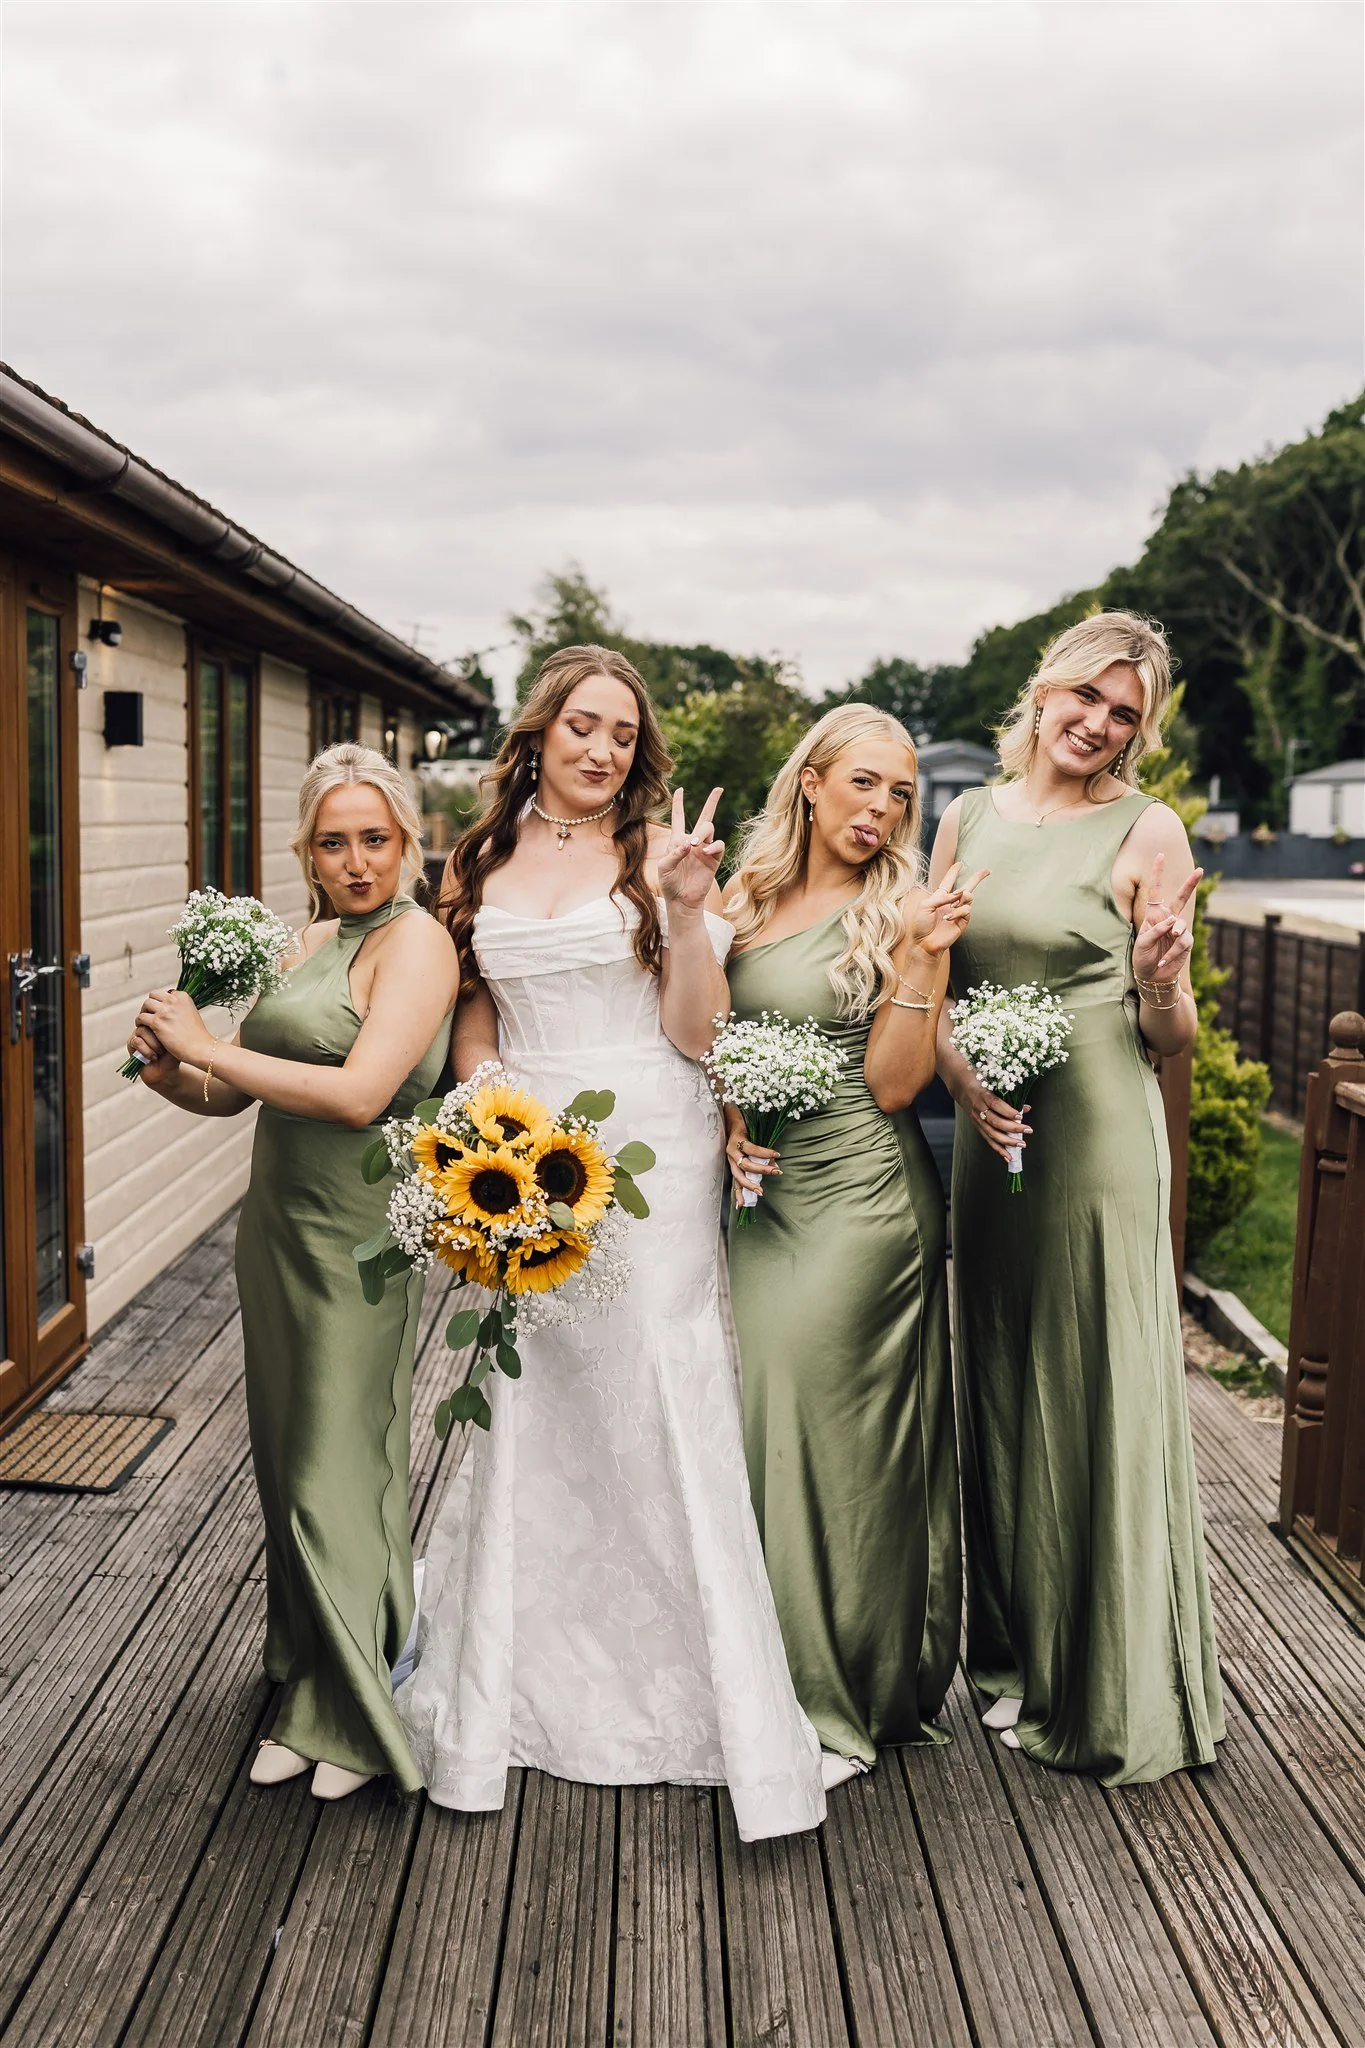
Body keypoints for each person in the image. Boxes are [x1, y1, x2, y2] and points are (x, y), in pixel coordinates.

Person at [394, 645, 825, 1842]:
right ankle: (521, 1676)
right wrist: (499, 1124)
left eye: (623, 735)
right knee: (540, 1392)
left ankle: (698, 1687)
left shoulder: (659, 856)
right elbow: (476, 1019)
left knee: (657, 1384)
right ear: (538, 732)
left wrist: (688, 913)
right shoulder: (476, 859)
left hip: (653, 1145)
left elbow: (698, 1033)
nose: (601, 749)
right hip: (528, 1155)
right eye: (582, 725)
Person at [127, 743, 459, 1801]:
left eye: (374, 838)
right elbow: (234, 1100)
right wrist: (170, 1064)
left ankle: (350, 1714)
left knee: (337, 1459)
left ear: (407, 841)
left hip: (363, 1233)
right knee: (286, 1459)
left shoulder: (419, 943)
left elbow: (362, 1093)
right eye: (333, 842)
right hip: (275, 1227)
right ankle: (314, 1664)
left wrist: (211, 1046)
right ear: (305, 853)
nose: (356, 861)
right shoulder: (308, 937)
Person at [932, 610, 1224, 1786]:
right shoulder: (963, 814)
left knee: (1093, 1380)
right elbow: (929, 976)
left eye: (1125, 714)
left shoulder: (1149, 827)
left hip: (1098, 1135)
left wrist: (1160, 979)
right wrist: (961, 1081)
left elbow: (1174, 1031)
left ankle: (1098, 1680)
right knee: (999, 1374)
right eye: (1087, 697)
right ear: (1043, 690)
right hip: (989, 1141)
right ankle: (1013, 1661)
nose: (1098, 725)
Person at [722, 705, 982, 1785]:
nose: (882, 809)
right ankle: (774, 1675)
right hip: (763, 1202)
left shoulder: (907, 909)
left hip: (866, 1205)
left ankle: (836, 1704)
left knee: (844, 1451)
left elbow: (893, 1083)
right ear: (812, 782)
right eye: (865, 784)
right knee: (777, 1431)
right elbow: (705, 1032)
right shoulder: (744, 896)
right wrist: (730, 1118)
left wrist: (922, 953)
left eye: (902, 795)